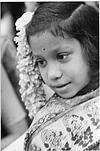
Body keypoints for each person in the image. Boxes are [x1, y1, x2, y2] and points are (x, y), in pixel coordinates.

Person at [4, 2, 99, 151]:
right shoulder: (42, 130)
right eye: (41, 62)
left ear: (91, 47)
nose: (52, 74)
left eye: (62, 56)